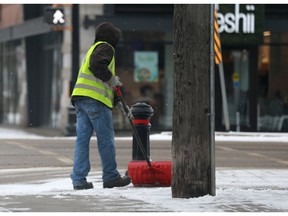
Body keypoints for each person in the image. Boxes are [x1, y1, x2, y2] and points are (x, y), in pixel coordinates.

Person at [70, 22, 131, 190]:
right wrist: (111, 79)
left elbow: (98, 78)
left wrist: (118, 101)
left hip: (81, 99)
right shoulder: (106, 47)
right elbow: (97, 66)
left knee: (82, 141)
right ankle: (111, 177)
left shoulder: (94, 48)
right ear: (111, 37)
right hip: (95, 101)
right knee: (105, 140)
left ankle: (79, 179)